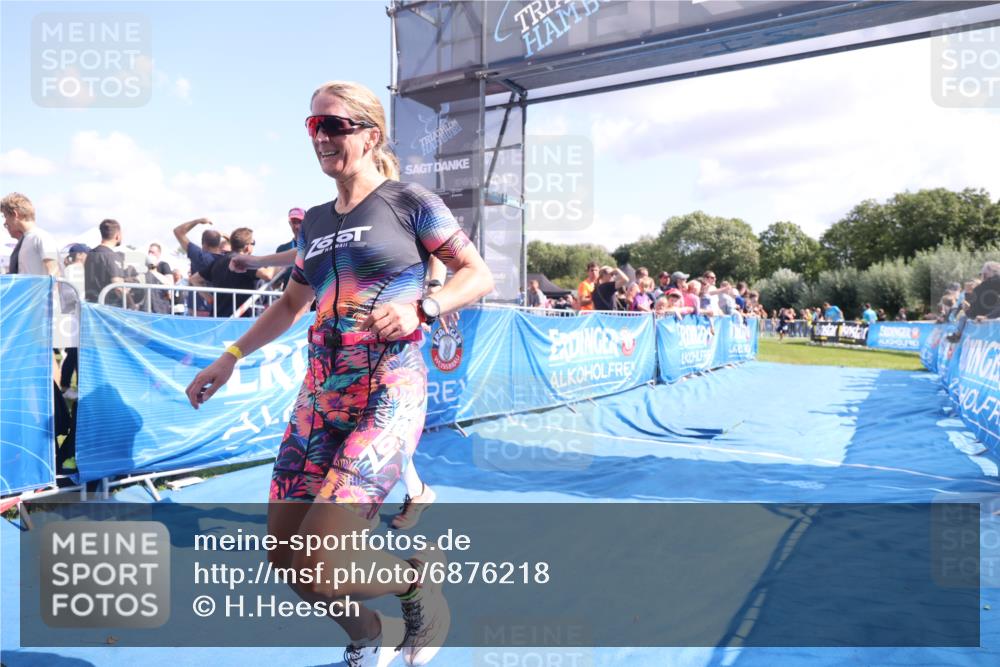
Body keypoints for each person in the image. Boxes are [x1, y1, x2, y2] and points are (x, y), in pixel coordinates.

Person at [185, 80, 493, 667]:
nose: (322, 137)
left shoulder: (411, 203)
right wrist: (230, 357)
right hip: (320, 400)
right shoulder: (316, 222)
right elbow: (287, 304)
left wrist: (421, 307)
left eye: (335, 125)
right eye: (313, 126)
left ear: (371, 135)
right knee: (286, 558)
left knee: (323, 553)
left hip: (387, 394)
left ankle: (416, 582)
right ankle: (366, 635)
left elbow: (476, 274)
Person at [198, 228, 274, 317]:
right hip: (241, 321)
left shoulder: (218, 261)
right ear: (247, 246)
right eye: (253, 243)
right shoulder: (244, 260)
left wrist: (209, 298)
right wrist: (275, 264)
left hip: (218, 318)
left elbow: (195, 279)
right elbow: (267, 275)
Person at [274, 207, 306, 290]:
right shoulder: (282, 249)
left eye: (300, 222)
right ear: (290, 223)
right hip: (288, 297)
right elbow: (275, 283)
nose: (297, 226)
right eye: (294, 222)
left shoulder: (314, 246)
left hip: (309, 299)